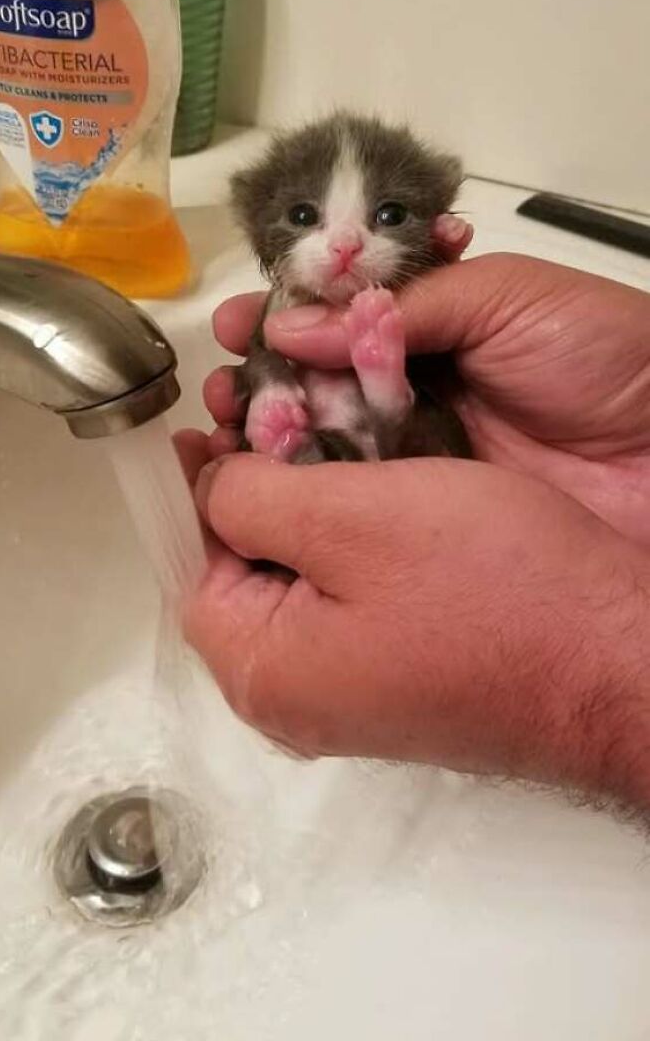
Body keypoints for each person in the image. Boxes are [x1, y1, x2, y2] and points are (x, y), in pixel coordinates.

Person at [174, 245, 650, 821]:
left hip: (392, 438)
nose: (343, 246)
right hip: (372, 438)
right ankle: (327, 433)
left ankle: (342, 425)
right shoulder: (288, 317)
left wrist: (579, 674)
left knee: (328, 454)